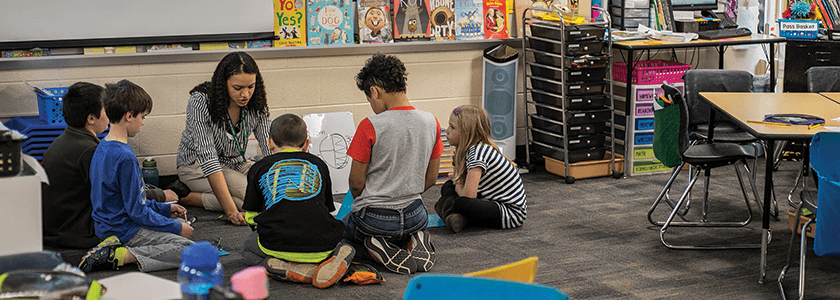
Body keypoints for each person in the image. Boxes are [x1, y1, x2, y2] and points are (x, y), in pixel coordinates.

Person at [41, 82, 187, 249]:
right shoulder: (90, 151)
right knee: (178, 239)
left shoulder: (67, 141)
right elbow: (121, 197)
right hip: (80, 230)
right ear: (90, 118)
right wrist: (159, 196)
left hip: (57, 227)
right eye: (106, 110)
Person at [342, 53, 443, 275]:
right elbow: (431, 179)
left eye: (370, 99)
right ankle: (414, 237)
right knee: (405, 225)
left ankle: (375, 244)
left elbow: (356, 183)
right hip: (416, 215)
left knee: (344, 230)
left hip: (376, 219)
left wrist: (366, 201)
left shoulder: (369, 125)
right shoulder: (432, 122)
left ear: (374, 91)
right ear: (404, 87)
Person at [79, 80, 194, 273]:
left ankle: (117, 248)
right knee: (189, 248)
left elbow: (131, 201)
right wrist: (174, 229)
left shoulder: (102, 146)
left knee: (180, 224)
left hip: (106, 226)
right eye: (143, 117)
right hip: (124, 230)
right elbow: (137, 212)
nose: (142, 123)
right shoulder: (125, 156)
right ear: (129, 115)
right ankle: (121, 255)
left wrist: (165, 211)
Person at [240, 114, 355, 289]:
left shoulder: (258, 168)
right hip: (323, 245)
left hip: (276, 242)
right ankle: (334, 257)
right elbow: (328, 209)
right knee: (343, 241)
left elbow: (251, 216)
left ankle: (287, 266)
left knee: (248, 248)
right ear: (307, 143)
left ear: (270, 142)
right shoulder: (320, 165)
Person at [176, 51, 272, 226]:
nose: (245, 94)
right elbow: (208, 159)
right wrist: (231, 212)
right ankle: (190, 197)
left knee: (268, 195)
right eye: (238, 88)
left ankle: (195, 198)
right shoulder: (200, 102)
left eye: (251, 86)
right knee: (253, 198)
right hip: (197, 167)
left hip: (236, 162)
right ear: (223, 84)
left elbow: (270, 146)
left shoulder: (256, 102)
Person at [434, 105, 526, 233]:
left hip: (509, 213)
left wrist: (459, 186)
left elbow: (468, 196)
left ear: (467, 133)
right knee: (448, 186)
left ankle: (454, 216)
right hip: (489, 199)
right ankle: (458, 218)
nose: (447, 131)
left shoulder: (477, 153)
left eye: (452, 127)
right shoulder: (469, 150)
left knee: (461, 203)